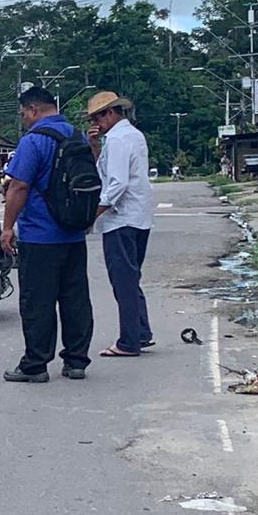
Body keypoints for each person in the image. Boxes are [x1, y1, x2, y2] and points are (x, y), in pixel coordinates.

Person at [0, 86, 94, 383]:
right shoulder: (77, 136)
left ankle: (36, 365)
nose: (24, 120)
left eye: (23, 114)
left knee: (37, 302)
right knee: (75, 299)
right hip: (74, 234)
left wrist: (7, 227)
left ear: (33, 110)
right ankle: (76, 362)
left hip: (41, 236)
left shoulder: (34, 141)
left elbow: (19, 187)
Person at [86, 91, 155, 358]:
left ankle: (129, 341)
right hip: (138, 215)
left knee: (123, 280)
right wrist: (94, 148)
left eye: (99, 116)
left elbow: (116, 183)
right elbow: (107, 172)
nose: (97, 122)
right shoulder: (132, 135)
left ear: (112, 113)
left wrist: (93, 214)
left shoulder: (116, 139)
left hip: (120, 218)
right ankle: (141, 331)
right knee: (131, 276)